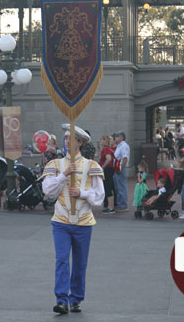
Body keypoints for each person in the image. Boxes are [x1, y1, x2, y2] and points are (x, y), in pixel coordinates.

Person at [42, 124, 104, 315]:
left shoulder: (92, 166)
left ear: (81, 142)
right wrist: (64, 175)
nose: (67, 141)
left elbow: (99, 197)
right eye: (66, 137)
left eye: (71, 138)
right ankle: (61, 299)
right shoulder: (55, 164)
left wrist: (82, 193)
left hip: (84, 222)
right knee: (61, 259)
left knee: (80, 263)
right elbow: (47, 191)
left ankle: (76, 298)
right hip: (61, 221)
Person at [112, 131, 130, 211]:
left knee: (121, 187)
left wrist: (121, 168)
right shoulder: (120, 146)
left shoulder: (123, 146)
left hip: (120, 169)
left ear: (121, 138)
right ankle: (120, 203)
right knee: (118, 187)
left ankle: (123, 205)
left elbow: (125, 158)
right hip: (117, 168)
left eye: (117, 136)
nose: (115, 137)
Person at [99, 135, 116, 214]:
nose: (100, 141)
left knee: (108, 188)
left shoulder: (106, 149)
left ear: (105, 141)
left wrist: (102, 167)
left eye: (102, 139)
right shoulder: (109, 149)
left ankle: (111, 207)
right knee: (110, 187)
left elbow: (108, 159)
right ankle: (110, 206)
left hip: (107, 170)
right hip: (109, 170)